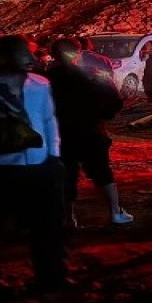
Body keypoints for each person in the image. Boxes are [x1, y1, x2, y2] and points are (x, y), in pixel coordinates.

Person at [0, 35, 69, 295]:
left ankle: (51, 275)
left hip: (38, 164)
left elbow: (49, 120)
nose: (30, 59)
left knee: (46, 225)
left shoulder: (40, 84)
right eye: (22, 53)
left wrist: (53, 155)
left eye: (29, 53)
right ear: (1, 58)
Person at [46, 39, 132, 225]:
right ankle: (115, 212)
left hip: (61, 134)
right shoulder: (95, 75)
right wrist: (102, 114)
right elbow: (114, 103)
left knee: (66, 175)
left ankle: (69, 217)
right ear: (79, 53)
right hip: (91, 131)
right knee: (101, 172)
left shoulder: (46, 78)